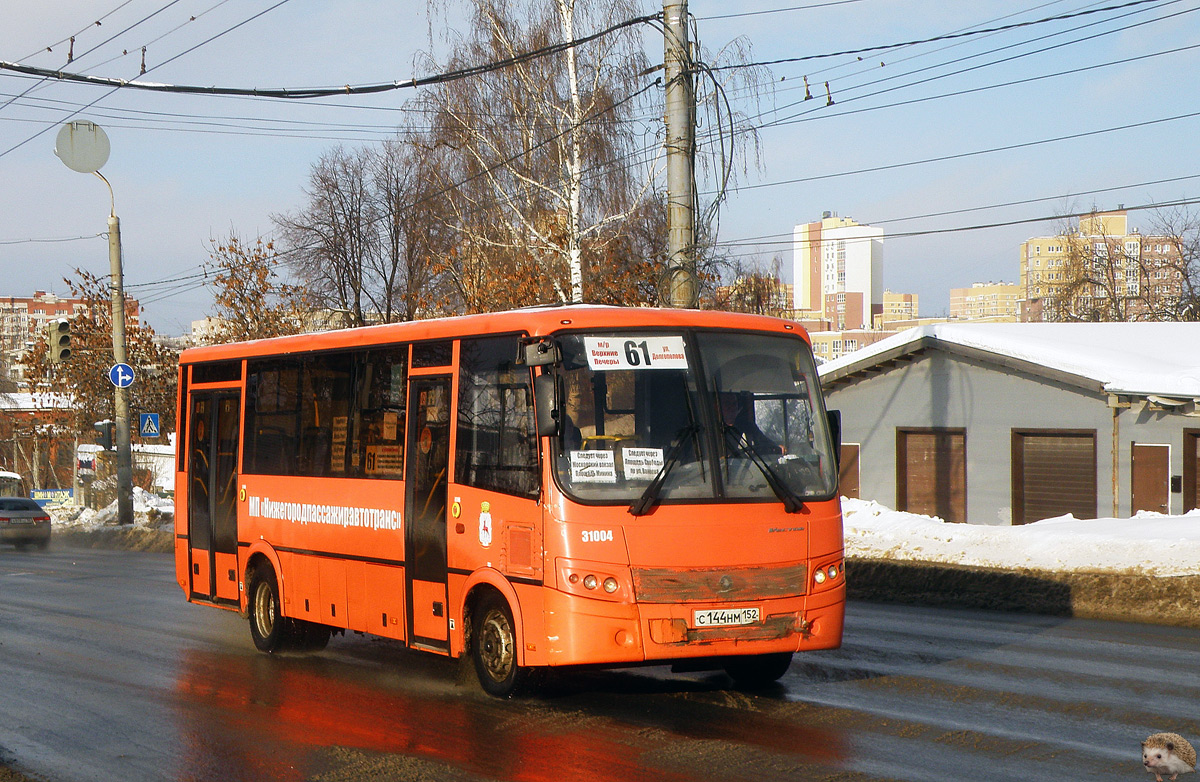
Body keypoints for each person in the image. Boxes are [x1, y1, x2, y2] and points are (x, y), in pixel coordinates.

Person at [717, 391, 781, 456]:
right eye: (727, 404)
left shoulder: (746, 426)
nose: (731, 408)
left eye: (734, 404)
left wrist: (777, 447)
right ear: (719, 407)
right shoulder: (714, 431)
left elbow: (763, 440)